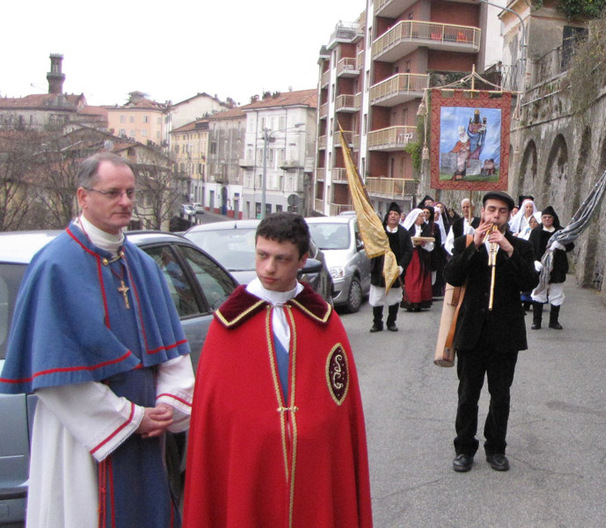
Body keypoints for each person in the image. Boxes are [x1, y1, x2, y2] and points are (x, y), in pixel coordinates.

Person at [0, 152, 194, 527]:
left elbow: (173, 353)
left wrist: (168, 405)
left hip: (147, 431)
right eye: (113, 192)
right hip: (80, 437)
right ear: (83, 197)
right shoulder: (56, 265)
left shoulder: (142, 265)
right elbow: (58, 380)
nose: (125, 201)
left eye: (130, 193)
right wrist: (130, 417)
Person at [183, 212, 373, 528]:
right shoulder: (227, 324)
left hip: (313, 469)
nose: (269, 267)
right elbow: (214, 417)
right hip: (247, 465)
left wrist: (311, 429)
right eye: (262, 255)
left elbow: (340, 405)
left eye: (281, 259)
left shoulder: (324, 321)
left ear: (302, 260)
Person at [444, 191, 540, 473]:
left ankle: (496, 448)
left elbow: (528, 283)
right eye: (490, 210)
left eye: (501, 212)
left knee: (500, 396)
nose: (494, 216)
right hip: (471, 333)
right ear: (482, 213)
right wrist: (474, 245)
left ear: (510, 215)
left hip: (505, 335)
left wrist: (508, 250)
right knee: (467, 394)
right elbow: (451, 276)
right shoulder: (466, 242)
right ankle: (464, 448)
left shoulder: (521, 247)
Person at [368, 202, 413, 332]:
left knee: (394, 297)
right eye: (391, 214)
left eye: (396, 214)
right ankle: (377, 322)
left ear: (400, 217)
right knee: (378, 297)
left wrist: (401, 267)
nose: (393, 216)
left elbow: (408, 251)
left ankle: (391, 322)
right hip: (380, 269)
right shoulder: (379, 231)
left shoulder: (404, 233)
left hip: (395, 270)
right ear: (387, 216)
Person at [529, 206, 574, 330]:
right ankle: (536, 321)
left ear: (553, 218)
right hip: (541, 268)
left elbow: (570, 246)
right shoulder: (536, 231)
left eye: (549, 217)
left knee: (556, 294)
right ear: (541, 219)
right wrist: (534, 262)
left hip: (557, 268)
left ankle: (553, 321)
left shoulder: (561, 231)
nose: (547, 219)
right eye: (545, 217)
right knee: (538, 293)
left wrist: (561, 246)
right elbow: (530, 248)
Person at [401, 208, 435, 311]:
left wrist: (424, 244)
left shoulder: (426, 228)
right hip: (412, 257)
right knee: (412, 279)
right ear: (415, 217)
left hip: (423, 256)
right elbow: (404, 243)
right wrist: (413, 243)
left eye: (423, 216)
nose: (422, 218)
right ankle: (410, 301)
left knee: (422, 278)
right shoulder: (408, 228)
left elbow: (431, 244)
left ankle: (420, 302)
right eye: (420, 216)